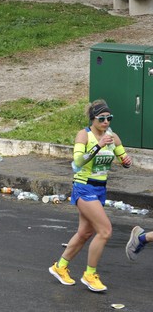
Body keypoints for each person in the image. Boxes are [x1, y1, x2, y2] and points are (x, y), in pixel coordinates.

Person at [49, 99, 132, 292]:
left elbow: (124, 159)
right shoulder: (84, 135)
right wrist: (98, 145)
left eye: (108, 118)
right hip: (84, 187)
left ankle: (59, 267)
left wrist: (126, 161)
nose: (106, 122)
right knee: (105, 231)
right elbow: (77, 161)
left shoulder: (113, 137)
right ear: (92, 119)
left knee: (85, 232)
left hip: (100, 188)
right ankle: (89, 274)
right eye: (101, 118)